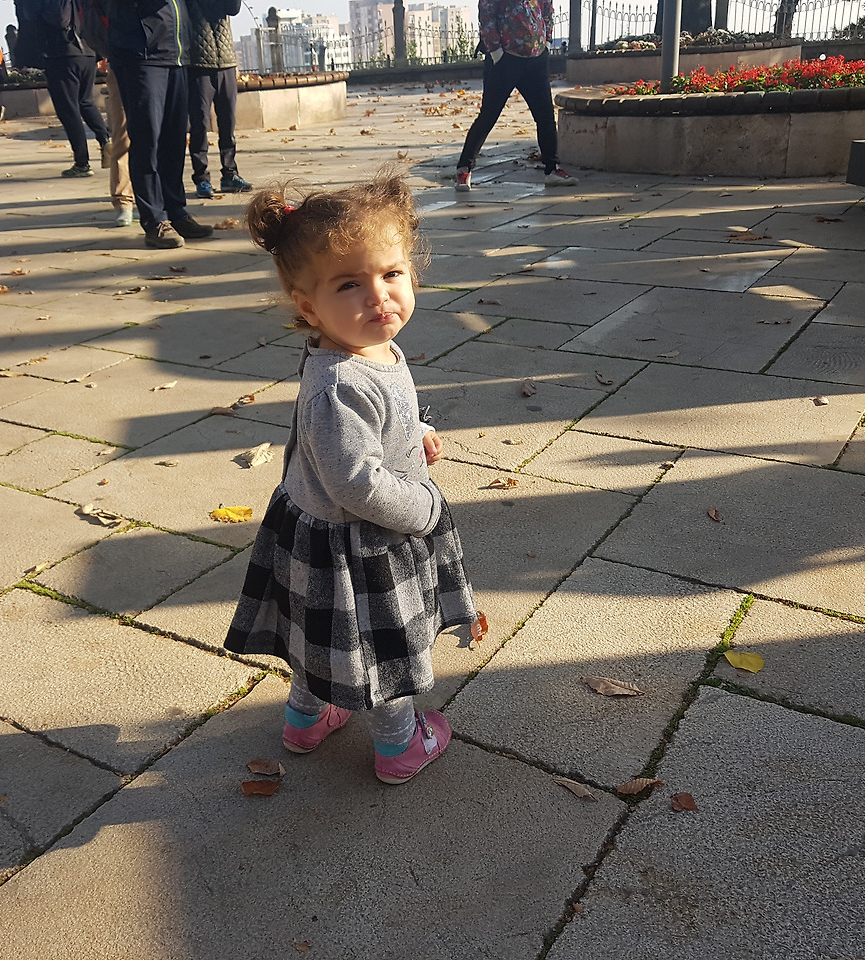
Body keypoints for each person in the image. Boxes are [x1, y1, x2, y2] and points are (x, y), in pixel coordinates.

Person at [225, 173, 478, 785]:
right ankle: (399, 745)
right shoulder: (340, 384)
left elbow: (384, 415)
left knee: (319, 639)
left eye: (392, 273)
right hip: (360, 541)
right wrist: (423, 509)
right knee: (380, 648)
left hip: (332, 529)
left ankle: (305, 720)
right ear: (308, 306)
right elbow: (357, 482)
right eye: (349, 284)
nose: (379, 296)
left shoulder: (368, 347)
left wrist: (415, 429)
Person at [107, 0, 213, 248]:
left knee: (174, 141)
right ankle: (154, 220)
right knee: (147, 141)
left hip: (175, 54)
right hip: (141, 53)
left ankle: (176, 212)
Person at [453, 0, 578, 191]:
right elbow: (486, 11)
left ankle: (552, 169)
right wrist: (496, 52)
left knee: (545, 117)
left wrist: (546, 40)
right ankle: (464, 169)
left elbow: (547, 8)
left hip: (536, 58)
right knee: (488, 116)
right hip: (505, 59)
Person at [32, 0, 110, 178]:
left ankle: (82, 162)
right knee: (85, 102)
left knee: (68, 109)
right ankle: (105, 140)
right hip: (88, 53)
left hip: (63, 54)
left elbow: (59, 19)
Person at [185, 0, 250, 199]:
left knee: (228, 122)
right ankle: (201, 178)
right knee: (200, 124)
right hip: (198, 64)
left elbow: (233, 8)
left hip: (226, 61)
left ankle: (230, 173)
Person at [81, 0, 136, 226]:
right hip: (122, 59)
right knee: (122, 135)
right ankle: (124, 199)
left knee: (159, 135)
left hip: (162, 58)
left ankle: (158, 198)